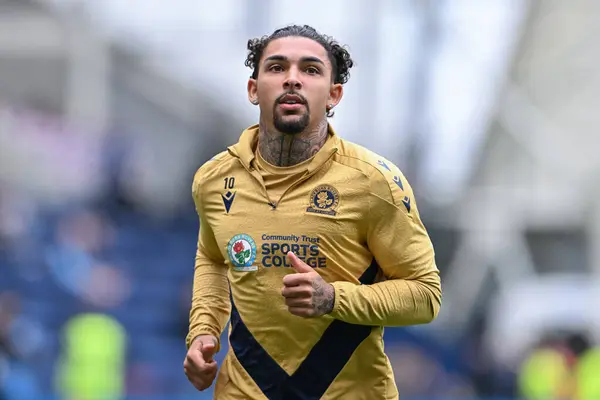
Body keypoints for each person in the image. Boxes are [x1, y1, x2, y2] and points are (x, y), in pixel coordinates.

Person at [183, 24, 442, 400]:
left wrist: (333, 299)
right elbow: (212, 257)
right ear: (254, 89)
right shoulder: (213, 179)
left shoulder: (374, 182)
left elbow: (425, 295)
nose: (292, 80)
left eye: (310, 69)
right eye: (276, 67)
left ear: (333, 94)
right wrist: (204, 331)